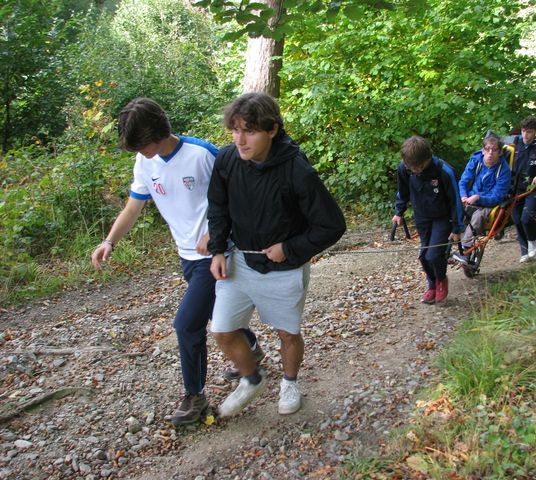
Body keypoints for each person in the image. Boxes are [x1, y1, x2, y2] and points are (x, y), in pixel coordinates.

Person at [90, 97, 260, 426]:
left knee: (186, 324)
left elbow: (241, 195)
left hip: (216, 255)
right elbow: (133, 207)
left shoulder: (202, 154)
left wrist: (215, 235)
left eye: (141, 145)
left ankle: (195, 396)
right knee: (212, 312)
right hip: (185, 255)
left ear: (156, 133)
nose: (139, 153)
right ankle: (250, 348)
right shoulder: (144, 163)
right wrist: (109, 240)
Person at [207, 92, 346, 418]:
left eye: (250, 131)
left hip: (284, 269)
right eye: (235, 129)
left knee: (287, 332)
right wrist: (217, 249)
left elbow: (332, 225)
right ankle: (251, 378)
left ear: (272, 129)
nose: (240, 139)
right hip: (239, 262)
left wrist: (290, 248)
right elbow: (218, 208)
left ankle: (290, 381)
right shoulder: (226, 161)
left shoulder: (297, 171)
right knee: (223, 331)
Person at [392, 135, 464, 304]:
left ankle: (441, 280)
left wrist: (457, 228)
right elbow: (402, 192)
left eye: (418, 167)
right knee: (423, 257)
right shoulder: (405, 168)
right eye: (411, 167)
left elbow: (455, 200)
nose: (414, 171)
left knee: (434, 255)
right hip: (422, 216)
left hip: (443, 217)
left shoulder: (444, 171)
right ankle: (431, 285)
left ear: (427, 158)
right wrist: (399, 212)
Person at [453, 132, 511, 267]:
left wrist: (479, 197)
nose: (490, 153)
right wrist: (463, 196)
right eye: (487, 149)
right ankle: (444, 246)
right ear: (483, 150)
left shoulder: (504, 170)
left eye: (494, 150)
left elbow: (497, 196)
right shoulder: (475, 161)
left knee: (478, 217)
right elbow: (463, 182)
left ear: (500, 152)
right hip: (471, 198)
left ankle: (465, 250)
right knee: (452, 210)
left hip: (489, 203)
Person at [510, 116, 536, 263]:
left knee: (526, 218)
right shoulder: (515, 142)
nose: (525, 135)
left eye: (528, 132)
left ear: (535, 131)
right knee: (516, 219)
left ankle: (532, 240)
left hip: (533, 189)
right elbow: (494, 144)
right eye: (523, 131)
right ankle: (524, 251)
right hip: (516, 187)